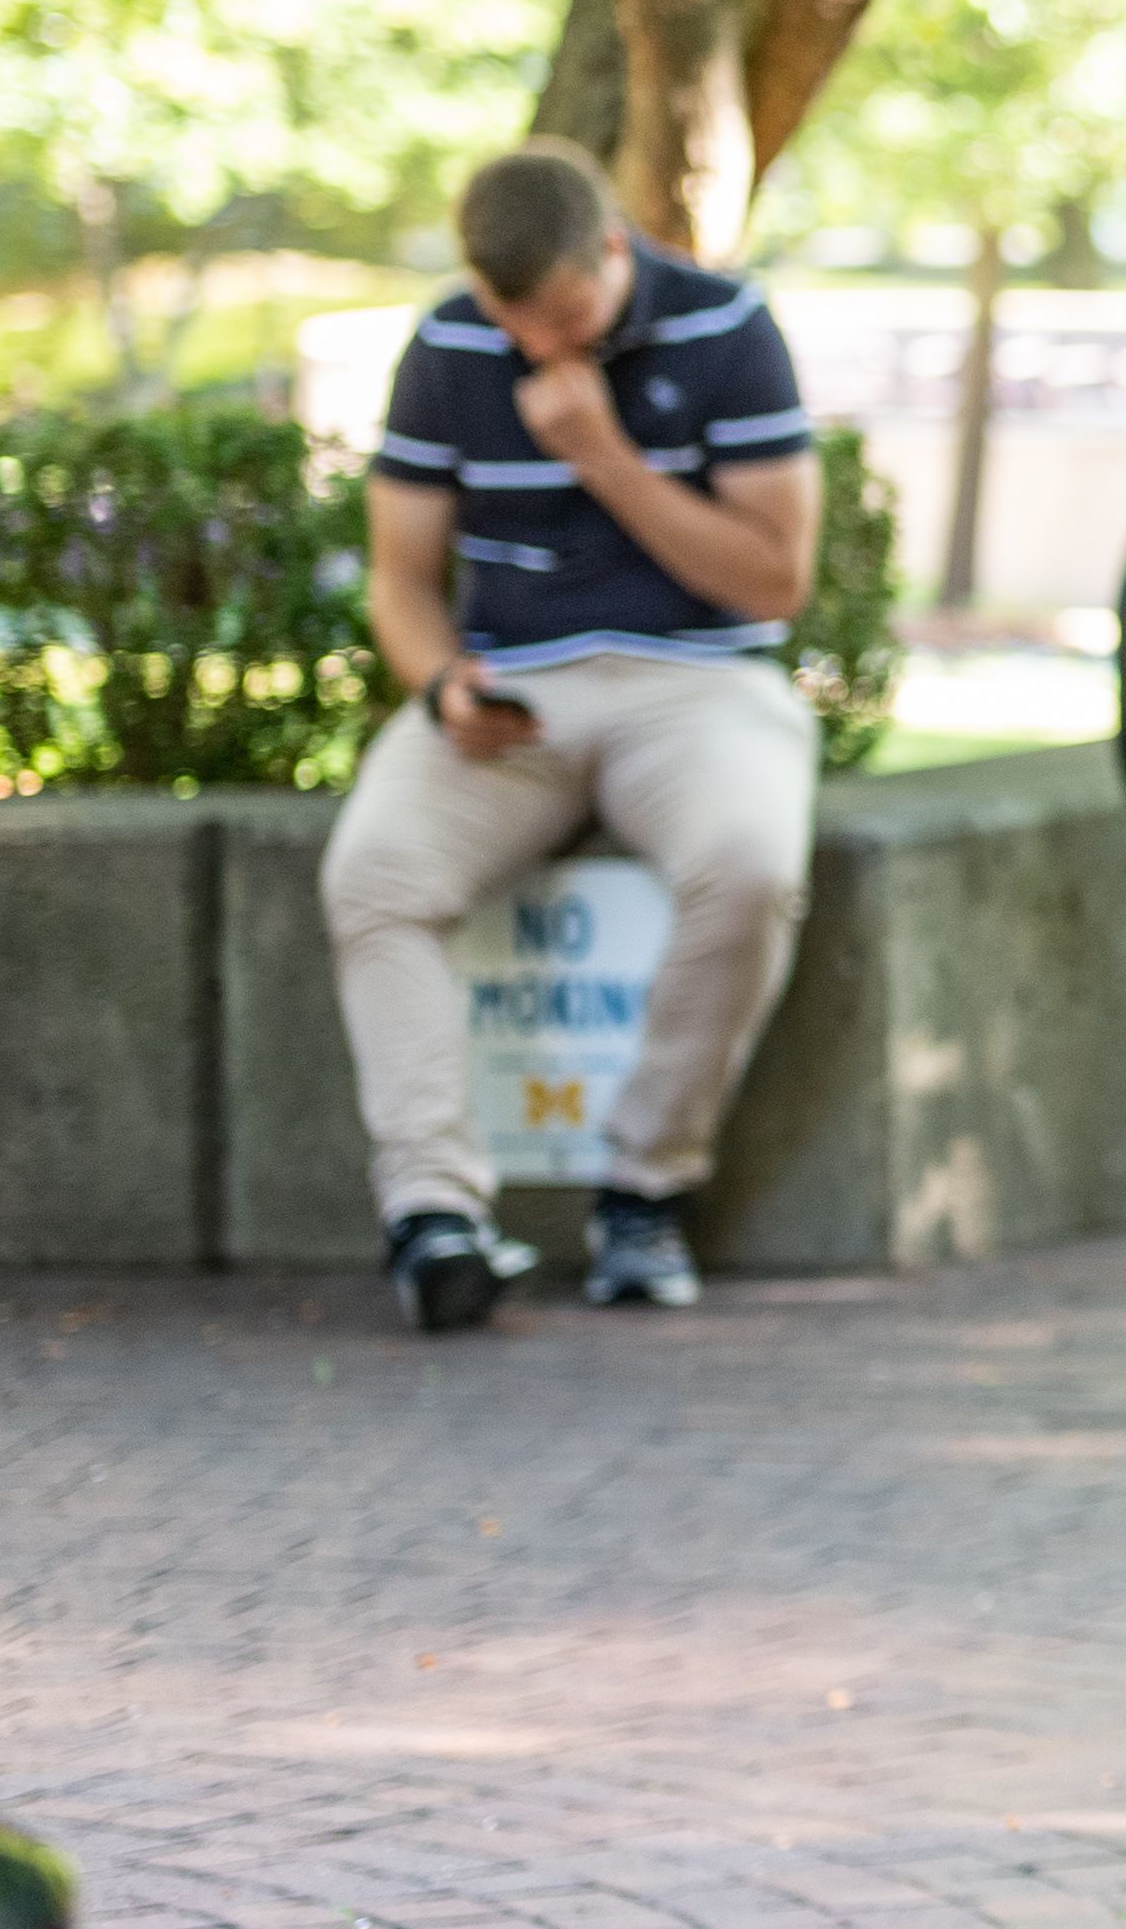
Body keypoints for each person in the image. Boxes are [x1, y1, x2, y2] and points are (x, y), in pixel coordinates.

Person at [330, 139, 825, 1333]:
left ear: (612, 250)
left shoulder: (725, 327)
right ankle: (433, 1218)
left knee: (749, 868)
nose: (541, 348)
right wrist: (443, 679)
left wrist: (600, 455)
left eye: (563, 317)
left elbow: (772, 581)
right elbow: (401, 580)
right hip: (514, 693)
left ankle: (645, 1193)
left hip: (697, 684)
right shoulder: (451, 344)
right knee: (374, 874)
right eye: (518, 326)